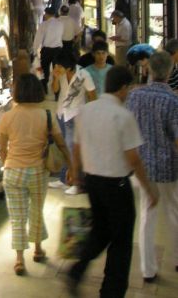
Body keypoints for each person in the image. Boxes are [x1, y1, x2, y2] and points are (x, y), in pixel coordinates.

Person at [65, 66, 158, 298]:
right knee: (121, 241)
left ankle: (76, 270)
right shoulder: (123, 116)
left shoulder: (86, 110)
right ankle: (112, 291)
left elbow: (76, 147)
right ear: (123, 88)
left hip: (92, 183)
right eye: (130, 88)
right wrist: (149, 189)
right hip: (117, 185)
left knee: (101, 230)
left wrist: (76, 174)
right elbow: (133, 159)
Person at [0, 73, 71, 276]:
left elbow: (2, 150)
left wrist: (8, 165)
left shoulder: (7, 117)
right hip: (38, 171)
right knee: (36, 211)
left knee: (17, 217)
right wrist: (72, 166)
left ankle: (19, 260)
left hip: (13, 171)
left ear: (17, 92)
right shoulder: (46, 115)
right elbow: (61, 144)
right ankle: (38, 249)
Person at [125, 50, 178, 283]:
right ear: (169, 71)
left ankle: (148, 269)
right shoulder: (173, 101)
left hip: (142, 166)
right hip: (169, 167)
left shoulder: (135, 96)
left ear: (148, 69)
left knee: (147, 214)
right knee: (174, 211)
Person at [49, 49, 96, 194]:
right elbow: (55, 90)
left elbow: (92, 95)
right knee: (65, 147)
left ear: (69, 66)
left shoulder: (83, 74)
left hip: (76, 115)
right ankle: (64, 179)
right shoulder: (60, 74)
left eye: (59, 66)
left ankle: (78, 183)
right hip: (61, 113)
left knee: (72, 148)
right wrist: (55, 78)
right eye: (56, 65)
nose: (57, 68)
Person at [32, 10, 64, 96]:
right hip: (58, 50)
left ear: (46, 14)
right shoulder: (60, 24)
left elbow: (38, 39)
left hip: (46, 50)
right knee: (57, 71)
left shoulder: (44, 24)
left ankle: (44, 89)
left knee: (44, 70)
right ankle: (57, 93)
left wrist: (35, 51)